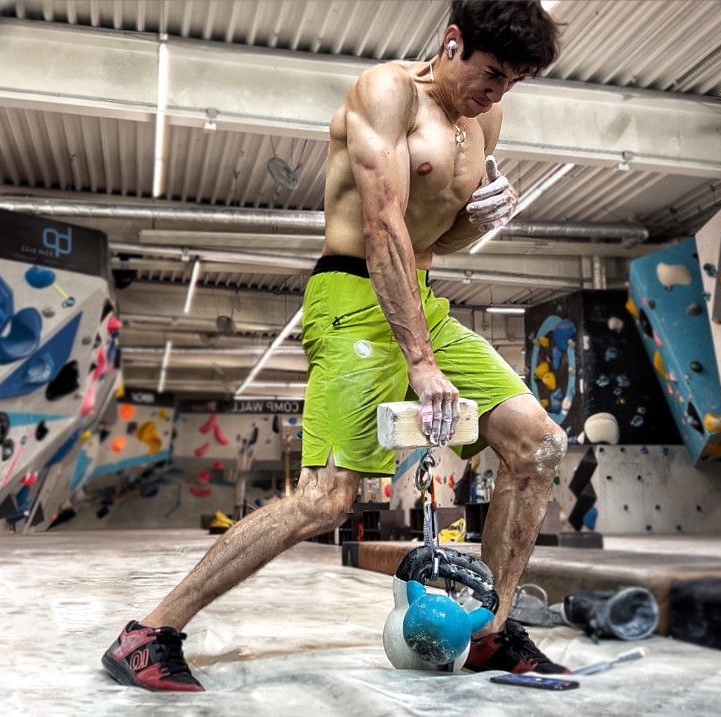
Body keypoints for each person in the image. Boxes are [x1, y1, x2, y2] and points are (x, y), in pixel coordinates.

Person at [102, 0, 566, 691]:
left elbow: (434, 239)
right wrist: (421, 362)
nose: (496, 94)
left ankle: (492, 629)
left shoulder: (483, 120)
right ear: (451, 42)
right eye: (491, 73)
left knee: (539, 444)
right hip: (351, 296)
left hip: (421, 298)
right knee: (325, 500)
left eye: (512, 83)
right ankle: (148, 633)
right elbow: (381, 229)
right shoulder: (385, 94)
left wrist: (479, 224)